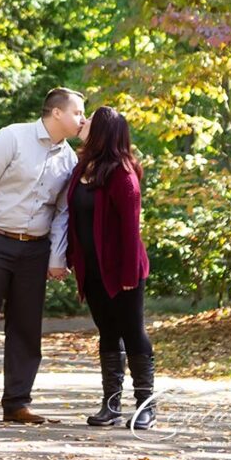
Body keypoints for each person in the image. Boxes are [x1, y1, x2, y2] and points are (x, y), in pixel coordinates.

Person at [0, 88, 86, 424]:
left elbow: (61, 214)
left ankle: (17, 403)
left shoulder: (69, 160)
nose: (82, 119)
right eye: (78, 112)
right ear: (56, 113)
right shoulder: (11, 138)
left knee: (26, 326)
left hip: (34, 249)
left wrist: (55, 257)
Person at [66, 106, 156, 430]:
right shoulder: (82, 168)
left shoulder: (122, 173)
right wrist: (69, 258)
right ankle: (110, 405)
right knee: (107, 333)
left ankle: (146, 405)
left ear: (102, 131)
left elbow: (131, 229)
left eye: (89, 119)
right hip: (92, 270)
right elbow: (74, 218)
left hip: (124, 270)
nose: (83, 121)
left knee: (133, 333)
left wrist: (130, 274)